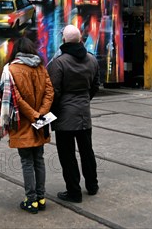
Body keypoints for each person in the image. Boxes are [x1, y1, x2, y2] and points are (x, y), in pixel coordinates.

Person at [0, 37, 54, 214]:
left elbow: (16, 99)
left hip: (22, 122)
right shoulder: (41, 67)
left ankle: (31, 200)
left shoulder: (11, 69)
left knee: (27, 162)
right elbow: (50, 92)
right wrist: (41, 114)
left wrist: (34, 116)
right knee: (39, 159)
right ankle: (41, 197)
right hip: (40, 122)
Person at [47, 24, 100, 203]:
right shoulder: (92, 60)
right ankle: (92, 186)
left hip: (64, 117)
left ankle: (74, 192)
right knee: (87, 151)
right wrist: (84, 100)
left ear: (63, 40)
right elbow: (95, 86)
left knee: (67, 155)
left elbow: (53, 92)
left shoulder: (58, 63)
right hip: (84, 114)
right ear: (80, 39)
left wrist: (51, 114)